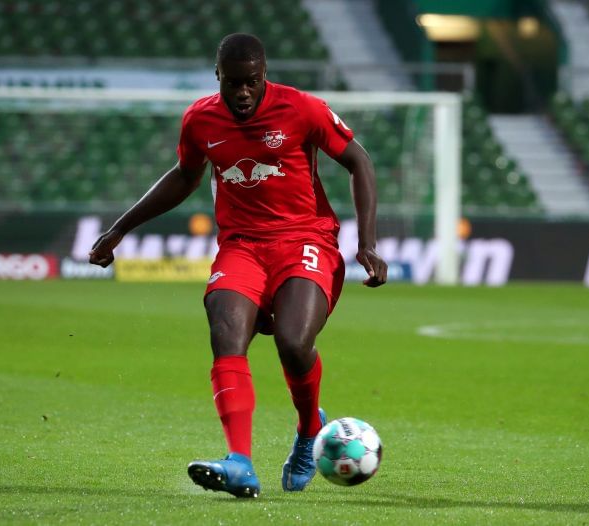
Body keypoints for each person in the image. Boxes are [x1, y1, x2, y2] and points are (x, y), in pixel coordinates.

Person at [89, 33, 387, 498]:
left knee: (293, 342)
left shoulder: (302, 109)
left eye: (251, 82)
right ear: (218, 78)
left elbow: (359, 163)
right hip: (241, 246)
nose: (243, 93)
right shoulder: (200, 118)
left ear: (264, 74)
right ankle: (240, 463)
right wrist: (119, 229)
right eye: (233, 84)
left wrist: (366, 243)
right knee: (225, 335)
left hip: (305, 238)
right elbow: (184, 176)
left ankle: (310, 430)